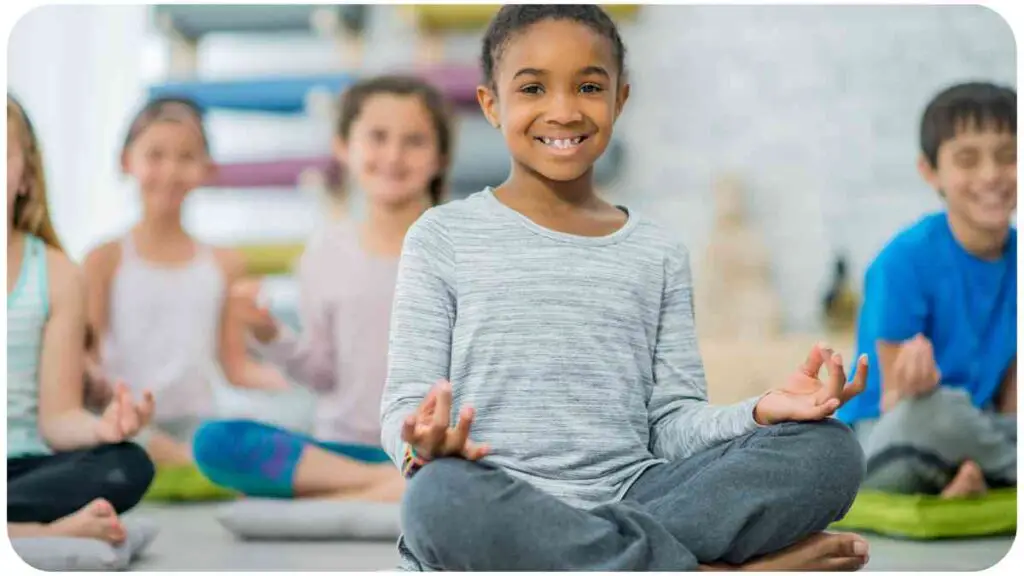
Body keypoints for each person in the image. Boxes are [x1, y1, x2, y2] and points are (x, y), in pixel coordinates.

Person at [380, 5, 871, 571]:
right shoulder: (441, 236)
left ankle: (607, 560)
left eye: (588, 86)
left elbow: (671, 424)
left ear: (620, 100)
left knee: (829, 451)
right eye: (533, 88)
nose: (563, 111)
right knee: (437, 498)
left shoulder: (656, 251)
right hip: (495, 499)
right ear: (492, 104)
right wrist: (423, 445)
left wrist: (760, 411)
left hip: (640, 499)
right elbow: (403, 406)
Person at [191, 75, 455, 502]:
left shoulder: (459, 249)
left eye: (414, 141)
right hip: (344, 449)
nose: (393, 155)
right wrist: (268, 334)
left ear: (441, 157)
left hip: (433, 450)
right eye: (377, 137)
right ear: (342, 147)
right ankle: (384, 486)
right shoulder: (324, 253)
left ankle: (366, 488)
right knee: (215, 442)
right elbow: (321, 373)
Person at [82, 97, 288, 469]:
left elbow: (234, 365)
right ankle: (186, 464)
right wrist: (120, 413)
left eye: (186, 157)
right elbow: (88, 360)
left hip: (199, 425)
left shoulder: (226, 262)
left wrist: (300, 389)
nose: (171, 170)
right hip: (127, 424)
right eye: (156, 155)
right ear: (127, 161)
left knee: (260, 435)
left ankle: (190, 462)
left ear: (207, 169)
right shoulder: (104, 259)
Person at [836, 82, 1017, 498]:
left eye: (1007, 156)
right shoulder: (902, 261)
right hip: (892, 432)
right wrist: (914, 389)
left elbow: (1011, 406)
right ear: (931, 171)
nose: (991, 174)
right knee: (936, 413)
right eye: (968, 160)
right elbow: (896, 406)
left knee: (966, 419)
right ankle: (997, 473)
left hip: (982, 429)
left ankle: (974, 476)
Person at [7, 94, 155, 543]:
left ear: (26, 177)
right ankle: (30, 532)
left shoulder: (56, 274)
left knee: (126, 464)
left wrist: (101, 428)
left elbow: (57, 417)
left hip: (20, 472)